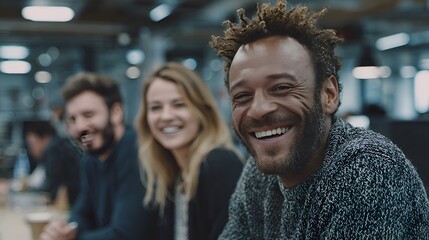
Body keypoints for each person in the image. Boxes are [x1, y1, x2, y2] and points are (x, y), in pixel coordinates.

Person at [209, 1, 429, 238]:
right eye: (242, 96)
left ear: (329, 95)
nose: (258, 109)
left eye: (281, 87)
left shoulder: (368, 168)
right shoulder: (258, 175)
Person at [40, 72, 159, 240]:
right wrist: (67, 229)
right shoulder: (91, 158)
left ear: (116, 113)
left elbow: (125, 235)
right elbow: (82, 213)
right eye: (72, 119)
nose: (80, 126)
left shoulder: (136, 151)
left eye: (88, 115)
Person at [135, 62, 243, 240]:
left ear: (201, 111)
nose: (166, 116)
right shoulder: (174, 175)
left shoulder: (219, 164)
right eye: (155, 107)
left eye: (179, 104)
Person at [23, 120, 82, 206]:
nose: (31, 150)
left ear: (45, 138)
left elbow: (51, 188)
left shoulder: (54, 150)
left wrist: (28, 190)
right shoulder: (61, 145)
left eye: (32, 144)